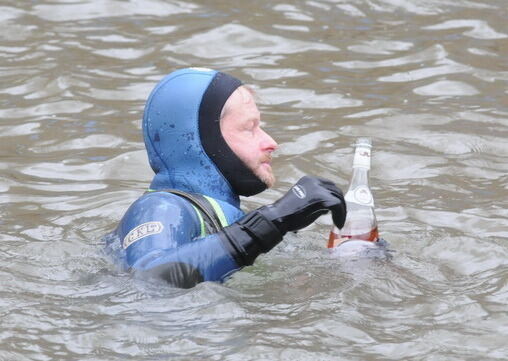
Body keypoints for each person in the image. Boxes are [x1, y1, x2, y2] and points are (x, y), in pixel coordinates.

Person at [106, 67, 347, 288]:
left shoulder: (225, 217)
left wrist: (356, 256)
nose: (271, 143)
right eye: (249, 128)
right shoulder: (162, 207)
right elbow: (150, 279)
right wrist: (274, 220)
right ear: (202, 140)